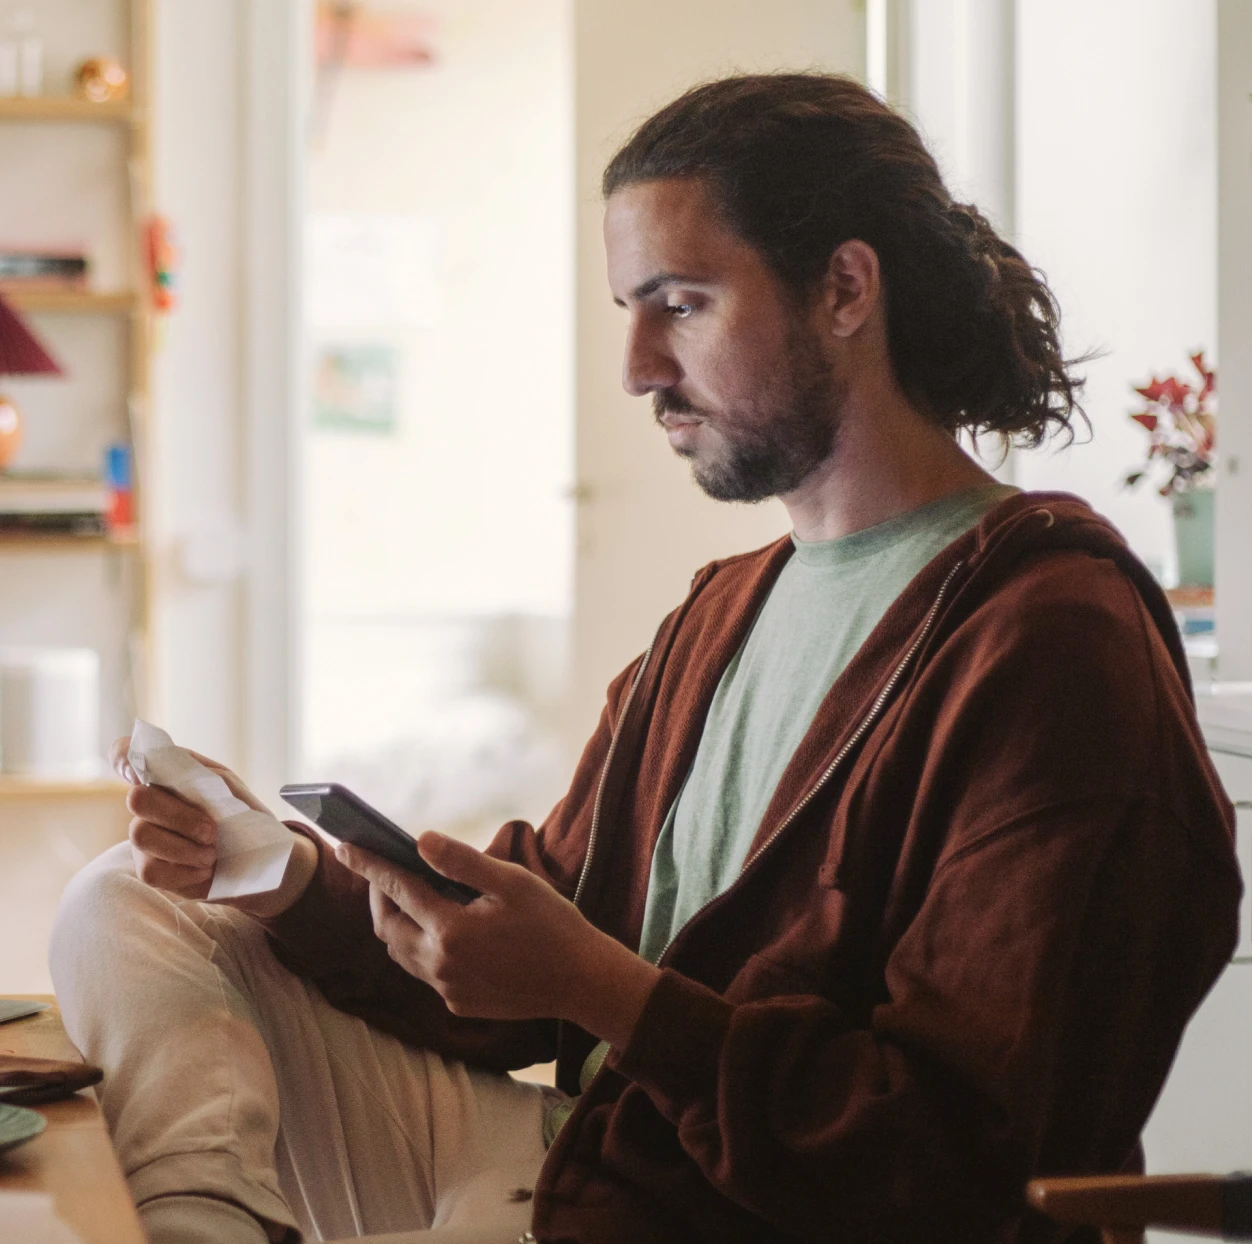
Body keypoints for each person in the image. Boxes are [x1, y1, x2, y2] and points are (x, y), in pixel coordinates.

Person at [52, 73, 1239, 1244]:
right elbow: (546, 933)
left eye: (680, 303)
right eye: (632, 306)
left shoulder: (1049, 643)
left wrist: (599, 988)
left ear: (843, 288)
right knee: (126, 895)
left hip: (719, 1217)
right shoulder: (723, 612)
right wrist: (282, 867)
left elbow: (955, 1157)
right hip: (582, 1154)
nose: (635, 365)